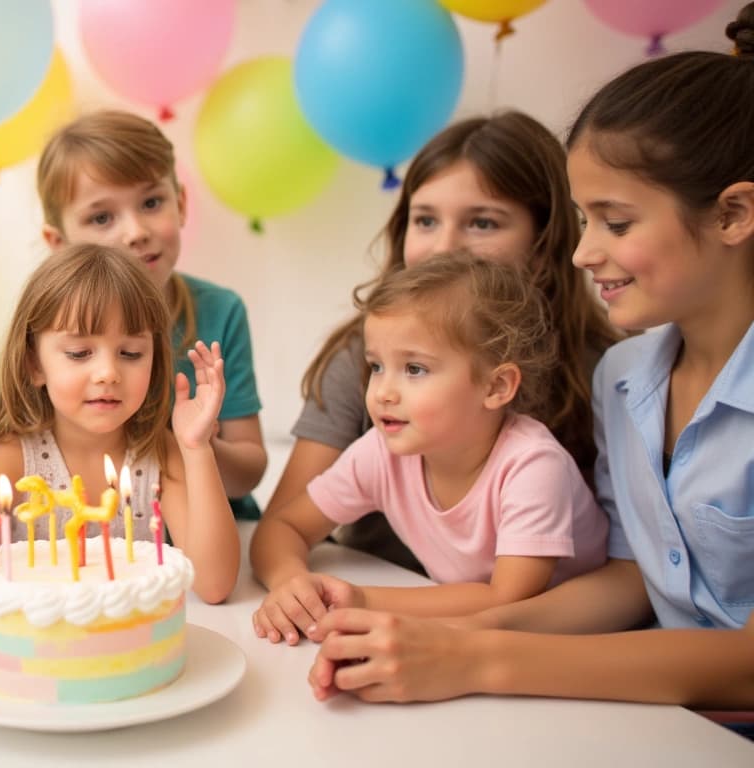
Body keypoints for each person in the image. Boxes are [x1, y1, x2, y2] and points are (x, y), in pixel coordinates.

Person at [306, 9, 754, 718]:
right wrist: (442, 629)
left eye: (618, 222)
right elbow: (630, 580)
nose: (583, 254)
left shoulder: (584, 382)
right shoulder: (628, 377)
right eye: (583, 223)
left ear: (732, 215)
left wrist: (475, 654)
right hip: (657, 714)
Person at [261, 111, 620, 574]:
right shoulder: (363, 357)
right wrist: (297, 590)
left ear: (544, 245)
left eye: (483, 223)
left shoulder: (606, 371)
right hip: (385, 588)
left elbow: (624, 569)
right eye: (426, 220)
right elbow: (284, 525)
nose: (445, 246)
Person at [249, 255, 608, 643]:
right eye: (376, 366)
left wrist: (361, 597)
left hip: (570, 642)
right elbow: (283, 527)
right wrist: (293, 585)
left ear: (496, 387)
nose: (383, 392)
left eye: (415, 369)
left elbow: (507, 599)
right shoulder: (382, 452)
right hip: (477, 638)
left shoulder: (534, 466)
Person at [0, 243, 240, 605]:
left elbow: (214, 585)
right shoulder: (13, 459)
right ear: (34, 364)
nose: (107, 373)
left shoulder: (159, 453)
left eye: (131, 353)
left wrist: (197, 449)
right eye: (79, 353)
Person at [27, 109, 266, 519]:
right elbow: (11, 457)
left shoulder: (220, 311)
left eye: (152, 202)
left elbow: (248, 472)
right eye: (102, 217)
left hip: (210, 532)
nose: (136, 231)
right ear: (58, 241)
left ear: (182, 203)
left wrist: (200, 446)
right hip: (101, 538)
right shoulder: (50, 324)